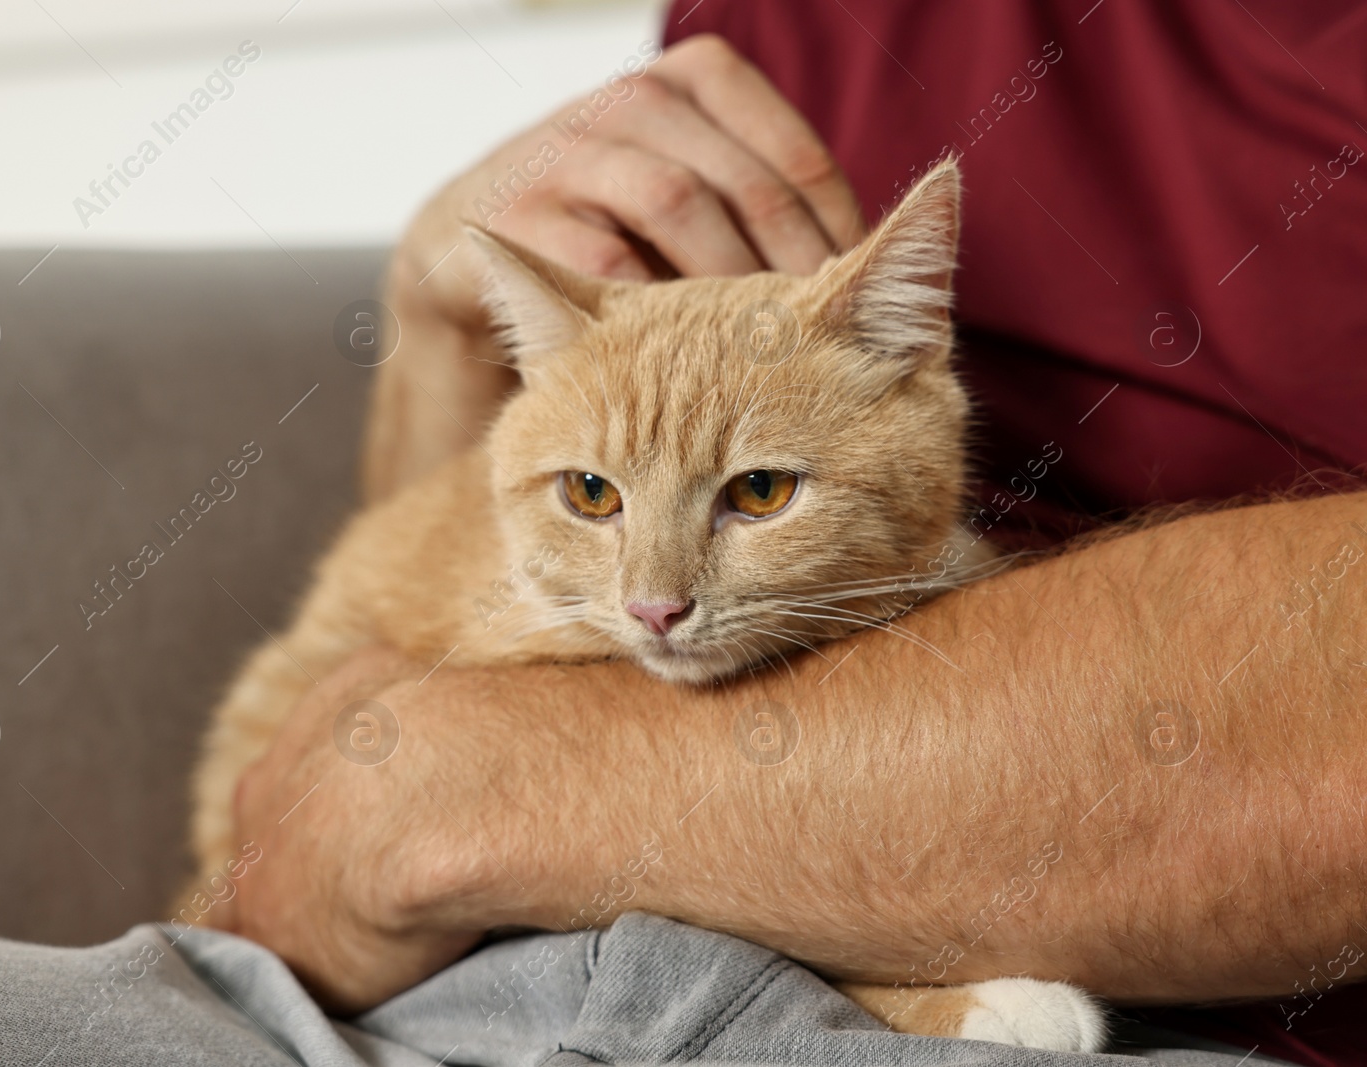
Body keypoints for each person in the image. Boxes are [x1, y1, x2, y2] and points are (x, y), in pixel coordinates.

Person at [224, 3, 1367, 1064]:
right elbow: (411, 587)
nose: (655, 592)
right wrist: (436, 328)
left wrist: (451, 785)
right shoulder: (757, 32)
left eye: (757, 493)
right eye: (595, 501)